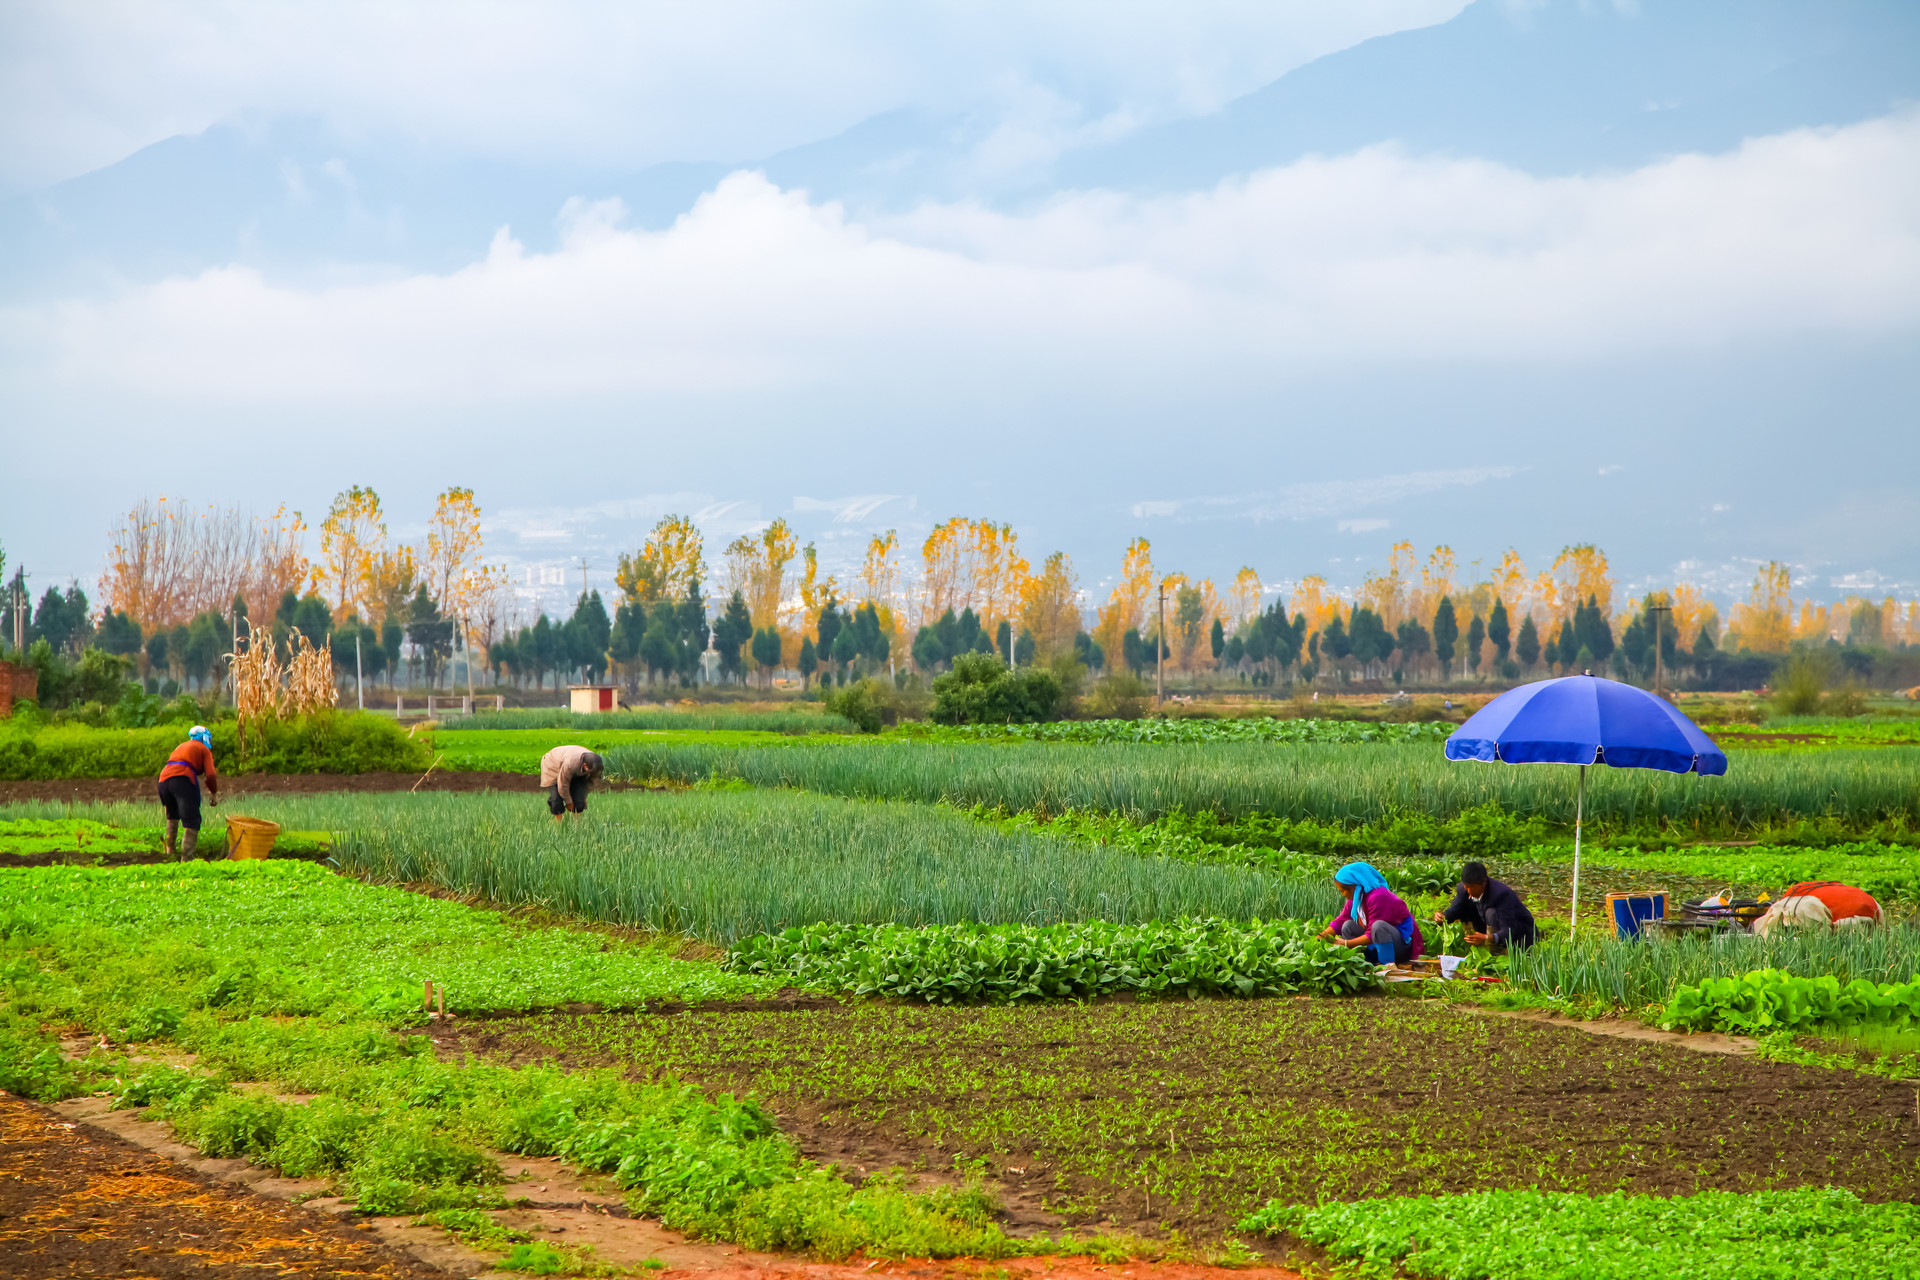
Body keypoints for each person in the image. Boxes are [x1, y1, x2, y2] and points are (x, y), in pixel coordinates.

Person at [1320, 861, 1425, 965]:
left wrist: (1347, 943)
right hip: (1378, 942)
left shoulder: (1378, 896)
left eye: (1342, 891)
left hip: (1401, 946)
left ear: (1354, 886)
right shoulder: (1356, 898)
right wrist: (1321, 936)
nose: (1342, 894)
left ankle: (1387, 965)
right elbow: (1340, 921)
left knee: (1378, 926)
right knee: (1348, 925)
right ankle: (1356, 962)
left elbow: (1372, 934)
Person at [1433, 861, 1537, 950]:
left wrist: (1488, 938)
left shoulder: (1501, 894)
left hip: (1521, 935)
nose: (1469, 891)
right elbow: (1456, 909)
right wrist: (1443, 917)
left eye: (1472, 887)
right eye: (1466, 886)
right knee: (1465, 907)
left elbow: (1509, 930)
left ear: (1483, 883)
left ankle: (1497, 951)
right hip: (1488, 928)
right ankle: (1480, 948)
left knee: (1491, 912)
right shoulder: (1463, 890)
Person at [157, 725, 220, 860]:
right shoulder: (203, 749)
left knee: (172, 816)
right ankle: (187, 859)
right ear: (205, 738)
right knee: (192, 820)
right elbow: (211, 775)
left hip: (163, 780)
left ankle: (170, 853)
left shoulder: (181, 746)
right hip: (182, 779)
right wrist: (213, 793)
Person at [539, 744, 605, 819]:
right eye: (591, 771)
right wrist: (568, 802)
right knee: (556, 799)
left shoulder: (596, 764)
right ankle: (558, 826)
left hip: (575, 766)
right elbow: (563, 784)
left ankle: (578, 825)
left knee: (579, 800)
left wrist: (583, 796)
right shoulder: (570, 764)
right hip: (552, 764)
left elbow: (591, 781)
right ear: (585, 765)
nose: (593, 772)